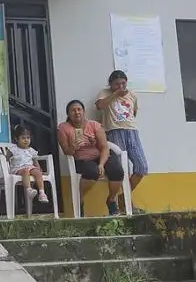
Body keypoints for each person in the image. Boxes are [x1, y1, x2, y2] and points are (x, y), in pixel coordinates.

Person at [57, 99, 125, 214]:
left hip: (101, 155)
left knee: (117, 170)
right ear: (68, 114)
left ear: (84, 112)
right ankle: (80, 199)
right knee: (92, 172)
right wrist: (73, 147)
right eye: (73, 110)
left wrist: (101, 164)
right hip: (82, 158)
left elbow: (104, 146)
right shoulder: (63, 128)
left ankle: (112, 200)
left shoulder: (94, 125)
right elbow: (66, 151)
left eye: (79, 109)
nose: (77, 112)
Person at [96, 69, 148, 204]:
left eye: (123, 84)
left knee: (141, 167)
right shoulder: (105, 93)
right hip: (114, 131)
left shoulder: (133, 95)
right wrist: (116, 94)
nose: (121, 87)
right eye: (117, 84)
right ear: (111, 84)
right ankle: (125, 202)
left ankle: (123, 197)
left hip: (132, 132)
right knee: (122, 169)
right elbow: (100, 106)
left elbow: (133, 112)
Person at [0, 122, 52, 212]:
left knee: (37, 172)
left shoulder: (31, 150)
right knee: (25, 171)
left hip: (30, 167)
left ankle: (42, 193)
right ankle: (28, 189)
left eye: (28, 138)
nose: (26, 140)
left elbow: (35, 162)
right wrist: (0, 156)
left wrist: (38, 168)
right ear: (16, 139)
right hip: (17, 169)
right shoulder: (13, 149)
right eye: (23, 138)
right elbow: (6, 159)